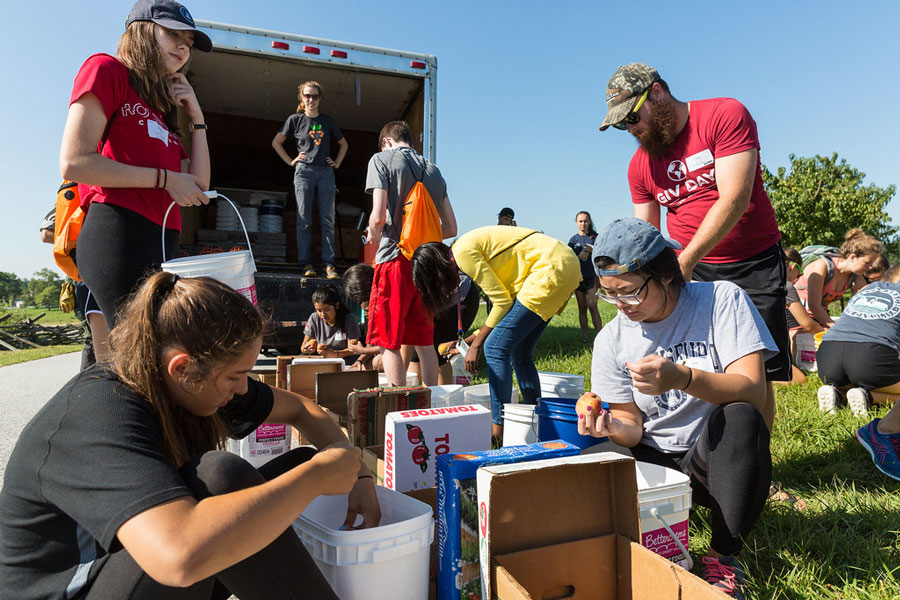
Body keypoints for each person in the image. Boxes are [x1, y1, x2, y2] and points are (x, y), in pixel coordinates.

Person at [0, 273, 378, 599]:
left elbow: (300, 409)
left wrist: (356, 474)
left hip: (135, 569)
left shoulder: (189, 383)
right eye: (235, 376)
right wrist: (315, 479)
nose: (244, 389)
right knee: (220, 479)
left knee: (301, 462)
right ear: (182, 367)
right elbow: (178, 557)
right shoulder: (99, 412)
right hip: (78, 589)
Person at [584, 218, 776, 600]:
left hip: (716, 462)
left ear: (665, 274)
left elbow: (753, 390)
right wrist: (609, 425)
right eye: (610, 294)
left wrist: (682, 378)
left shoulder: (720, 299)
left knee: (741, 416)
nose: (621, 306)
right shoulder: (612, 339)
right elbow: (633, 426)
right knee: (594, 458)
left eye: (631, 293)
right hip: (657, 466)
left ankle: (722, 556)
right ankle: (635, 544)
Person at [599, 62, 789, 430]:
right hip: (693, 268)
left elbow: (735, 197)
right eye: (623, 125)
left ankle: (763, 468)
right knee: (703, 363)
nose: (631, 128)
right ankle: (702, 450)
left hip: (752, 261)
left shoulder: (723, 115)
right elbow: (646, 233)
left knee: (758, 374)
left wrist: (686, 259)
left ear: (657, 92)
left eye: (633, 117)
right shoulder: (640, 166)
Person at [59, 0, 213, 331]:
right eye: (173, 35)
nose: (183, 48)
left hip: (165, 240)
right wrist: (165, 179)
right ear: (141, 30)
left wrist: (197, 118)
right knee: (133, 357)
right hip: (118, 230)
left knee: (156, 355)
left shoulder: (161, 109)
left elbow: (198, 184)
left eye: (188, 44)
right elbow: (74, 162)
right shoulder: (106, 69)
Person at [410, 228, 580, 441]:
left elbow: (502, 302)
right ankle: (536, 416)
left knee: (494, 349)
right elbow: (505, 307)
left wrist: (477, 345)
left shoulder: (462, 253)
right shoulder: (464, 250)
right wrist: (470, 339)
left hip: (549, 268)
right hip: (562, 264)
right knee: (519, 351)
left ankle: (498, 430)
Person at [365, 120, 457, 386]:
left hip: (394, 259)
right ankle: (428, 404)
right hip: (426, 265)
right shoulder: (435, 171)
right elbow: (450, 227)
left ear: (387, 142)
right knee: (424, 342)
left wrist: (372, 234)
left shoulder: (381, 159)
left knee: (388, 340)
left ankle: (397, 406)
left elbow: (378, 215)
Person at [272, 81, 348, 280]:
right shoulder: (295, 120)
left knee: (327, 219)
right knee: (303, 220)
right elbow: (276, 142)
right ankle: (306, 264)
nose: (310, 99)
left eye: (314, 96)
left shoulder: (328, 121)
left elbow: (344, 145)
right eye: (307, 95)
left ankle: (329, 265)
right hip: (303, 172)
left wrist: (337, 163)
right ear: (301, 98)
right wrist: (292, 161)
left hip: (325, 172)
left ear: (320, 98)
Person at [816, 262, 900, 419]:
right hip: (870, 357)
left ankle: (838, 393)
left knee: (857, 377)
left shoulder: (867, 290)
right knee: (870, 376)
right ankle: (870, 397)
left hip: (827, 356)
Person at [795, 229, 883, 328]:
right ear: (853, 257)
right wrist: (836, 329)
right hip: (795, 316)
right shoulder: (822, 266)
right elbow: (814, 305)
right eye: (868, 262)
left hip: (819, 318)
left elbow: (863, 307)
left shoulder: (856, 276)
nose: (871, 267)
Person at [408, 272, 481, 385]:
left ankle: (443, 400)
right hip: (432, 297)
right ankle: (416, 399)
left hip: (457, 298)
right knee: (416, 351)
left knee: (438, 352)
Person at [779, 248, 824, 385]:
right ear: (793, 266)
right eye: (800, 273)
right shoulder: (785, 285)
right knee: (800, 380)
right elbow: (807, 324)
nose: (800, 277)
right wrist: (827, 335)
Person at [301, 284, 362, 365]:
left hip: (345, 362)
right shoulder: (314, 318)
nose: (323, 315)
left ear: (337, 305)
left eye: (327, 310)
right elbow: (303, 347)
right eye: (319, 310)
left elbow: (355, 349)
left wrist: (335, 354)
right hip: (322, 362)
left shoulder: (349, 319)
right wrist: (307, 349)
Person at [567, 210, 602, 344]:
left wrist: (591, 251)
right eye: (580, 221)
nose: (583, 223)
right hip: (578, 277)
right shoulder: (573, 240)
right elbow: (569, 259)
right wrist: (578, 256)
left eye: (585, 221)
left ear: (590, 222)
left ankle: (600, 336)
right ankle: (585, 337)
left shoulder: (596, 237)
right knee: (582, 308)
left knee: (592, 305)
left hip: (591, 276)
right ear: (576, 223)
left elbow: (602, 255)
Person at [341, 263, 383, 371]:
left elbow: (392, 345)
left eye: (367, 310)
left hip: (401, 352)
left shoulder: (386, 306)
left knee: (377, 362)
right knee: (364, 366)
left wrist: (362, 350)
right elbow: (370, 344)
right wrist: (359, 360)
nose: (366, 314)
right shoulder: (367, 307)